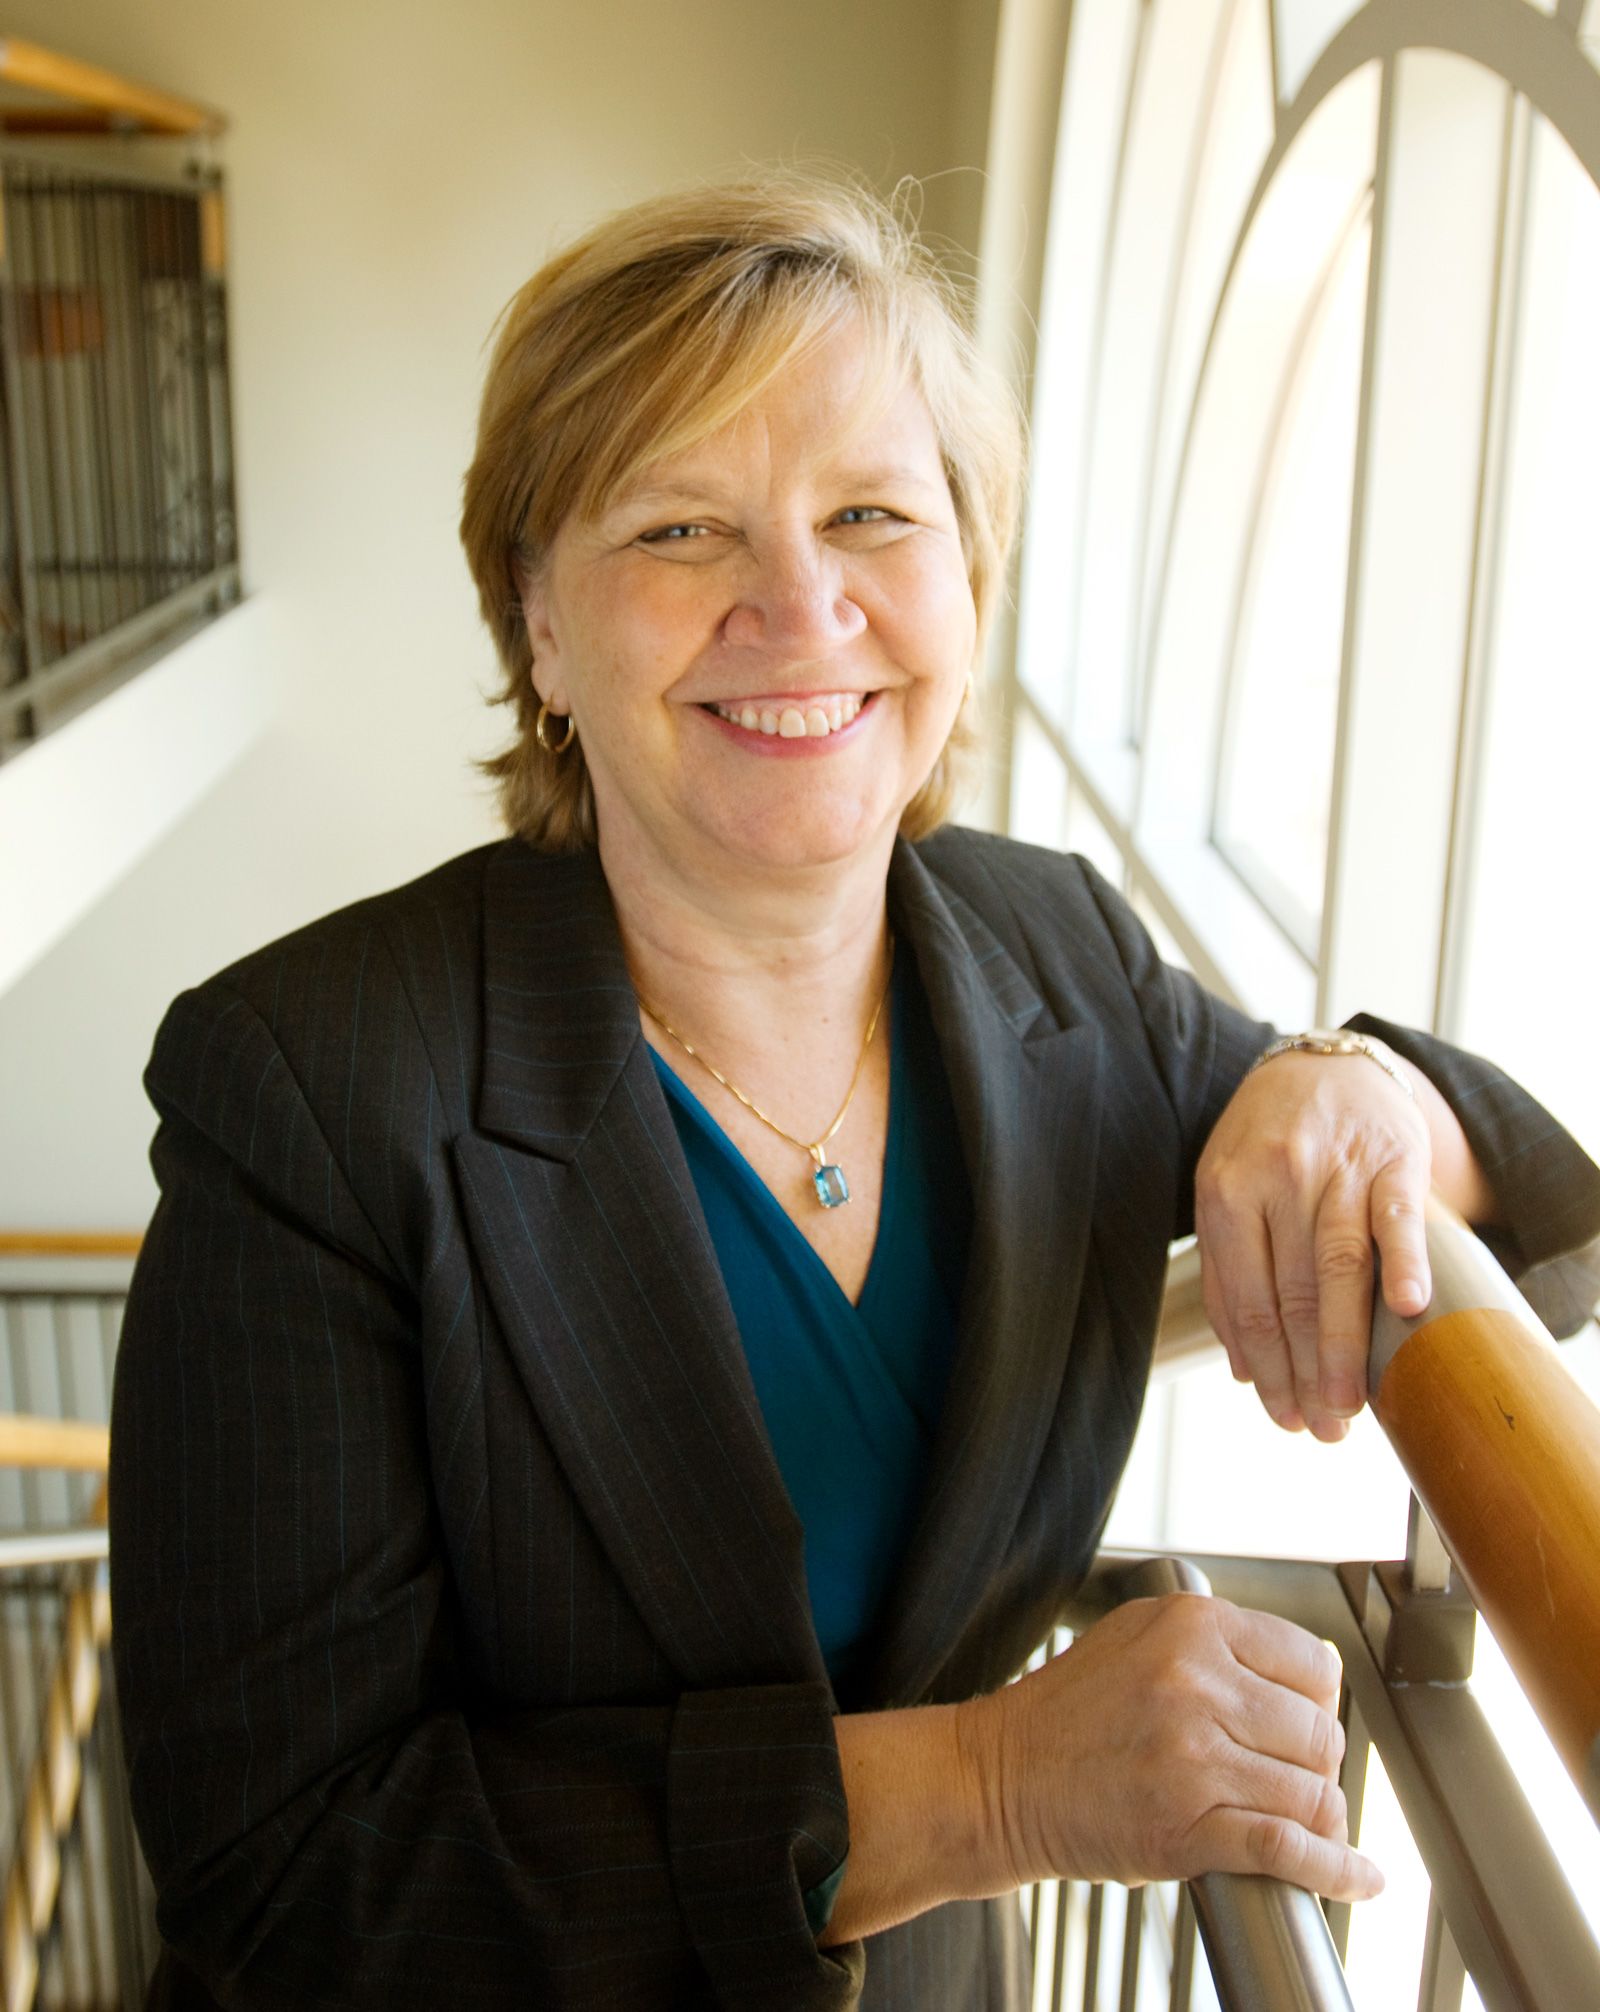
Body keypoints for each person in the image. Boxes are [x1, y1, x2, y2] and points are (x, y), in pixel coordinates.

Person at [108, 173, 1600, 2011]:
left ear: (965, 580)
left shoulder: (1050, 951)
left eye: (873, 515)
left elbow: (1531, 1191)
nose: (797, 607)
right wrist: (993, 1783)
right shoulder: (313, 1087)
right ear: (543, 629)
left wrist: (1343, 1081)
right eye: (678, 530)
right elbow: (287, 1875)